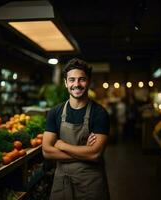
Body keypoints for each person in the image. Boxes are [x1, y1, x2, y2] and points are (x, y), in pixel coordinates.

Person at [42, 58, 110, 200]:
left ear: (89, 81)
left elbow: (95, 154)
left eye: (82, 79)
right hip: (62, 182)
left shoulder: (99, 113)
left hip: (90, 183)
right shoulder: (55, 112)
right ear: (66, 83)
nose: (76, 84)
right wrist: (84, 152)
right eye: (72, 80)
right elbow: (47, 151)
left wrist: (62, 145)